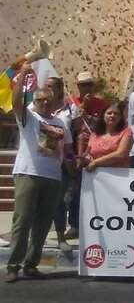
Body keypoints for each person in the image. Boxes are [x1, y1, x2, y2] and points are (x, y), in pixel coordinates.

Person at [5, 64, 68, 283]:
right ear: (35, 101)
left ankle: (31, 264)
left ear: (54, 101)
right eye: (40, 100)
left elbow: (64, 150)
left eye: (48, 100)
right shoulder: (29, 118)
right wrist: (23, 74)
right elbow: (16, 101)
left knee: (42, 224)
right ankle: (13, 265)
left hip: (53, 177)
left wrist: (73, 161)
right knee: (22, 222)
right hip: (28, 174)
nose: (44, 103)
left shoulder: (60, 123)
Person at [65, 71, 108, 240]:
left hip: (96, 151)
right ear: (78, 86)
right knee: (76, 190)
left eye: (90, 84)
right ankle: (74, 225)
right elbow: (71, 127)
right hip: (76, 152)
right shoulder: (71, 102)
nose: (87, 88)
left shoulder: (102, 104)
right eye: (84, 85)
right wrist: (83, 106)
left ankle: (96, 224)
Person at [43, 77, 76, 253]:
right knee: (37, 202)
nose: (47, 89)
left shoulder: (70, 110)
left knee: (59, 202)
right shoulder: (34, 108)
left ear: (59, 89)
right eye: (45, 86)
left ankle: (61, 237)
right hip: (39, 163)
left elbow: (72, 140)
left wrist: (71, 164)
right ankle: (36, 237)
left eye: (51, 86)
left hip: (60, 164)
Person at [78, 102, 132, 171]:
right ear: (103, 116)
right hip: (96, 174)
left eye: (116, 114)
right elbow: (88, 155)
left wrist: (96, 162)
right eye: (109, 113)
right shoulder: (94, 135)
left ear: (120, 117)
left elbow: (121, 154)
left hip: (118, 174)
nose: (112, 115)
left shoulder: (126, 132)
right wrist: (83, 157)